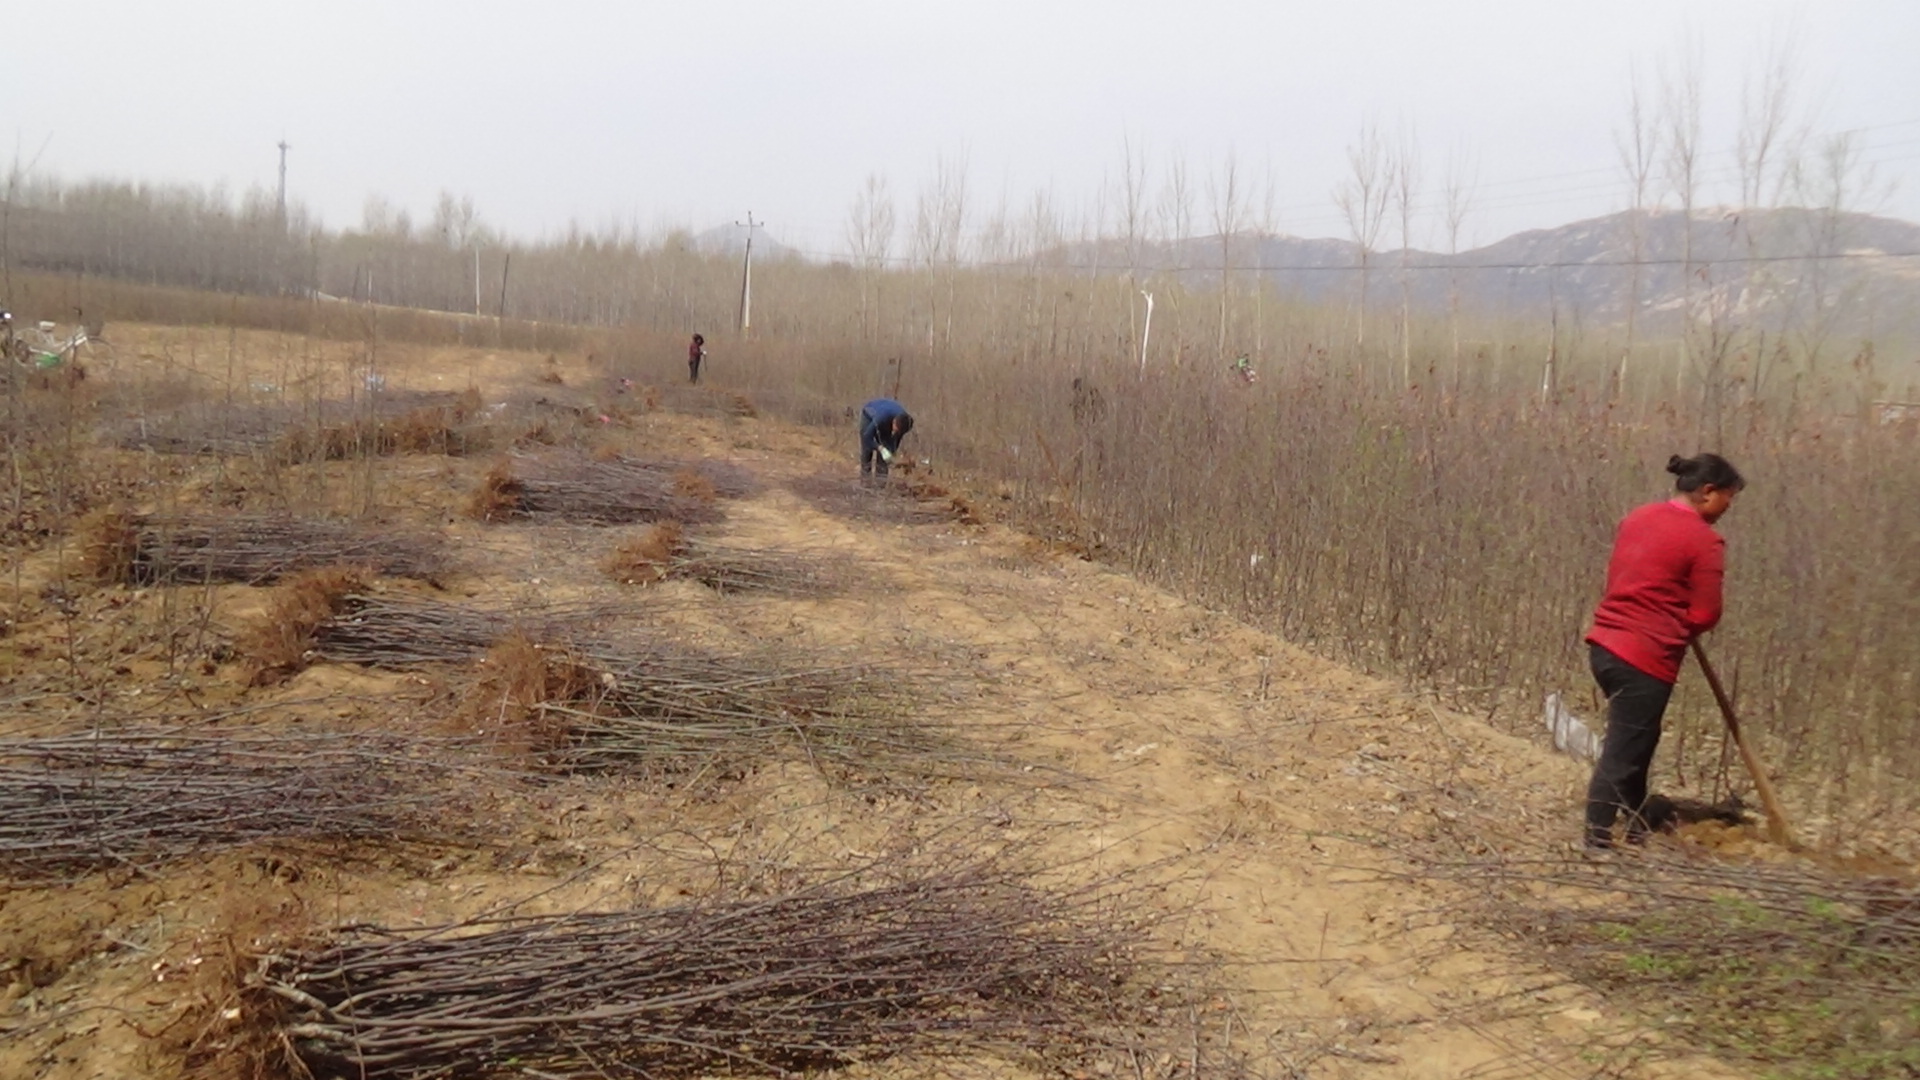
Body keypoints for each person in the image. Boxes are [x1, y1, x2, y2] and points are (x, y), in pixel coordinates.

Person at [1582, 452, 1745, 850]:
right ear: (1708, 492)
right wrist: (1682, 622)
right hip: (1645, 657)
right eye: (1728, 496)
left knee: (1640, 739)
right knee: (1624, 749)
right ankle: (1596, 838)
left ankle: (1636, 819)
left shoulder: (1637, 517)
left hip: (1604, 646)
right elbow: (1706, 612)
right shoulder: (1705, 541)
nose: (1729, 506)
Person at [858, 397, 914, 480]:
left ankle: (880, 485)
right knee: (867, 451)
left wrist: (891, 452)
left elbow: (897, 438)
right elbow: (867, 436)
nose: (894, 431)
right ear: (894, 421)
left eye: (897, 431)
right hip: (869, 415)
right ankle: (865, 481)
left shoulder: (906, 423)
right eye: (895, 429)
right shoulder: (882, 418)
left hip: (886, 419)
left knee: (884, 455)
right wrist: (880, 448)